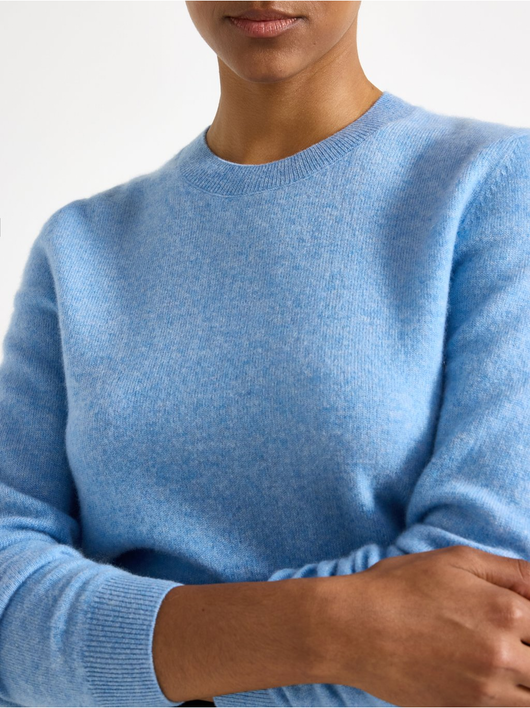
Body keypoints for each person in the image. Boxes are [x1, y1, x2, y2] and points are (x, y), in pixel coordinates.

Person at [1, 1, 530, 706]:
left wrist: (121, 660)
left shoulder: (498, 189)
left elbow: (487, 614)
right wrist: (333, 634)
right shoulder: (79, 248)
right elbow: (6, 605)